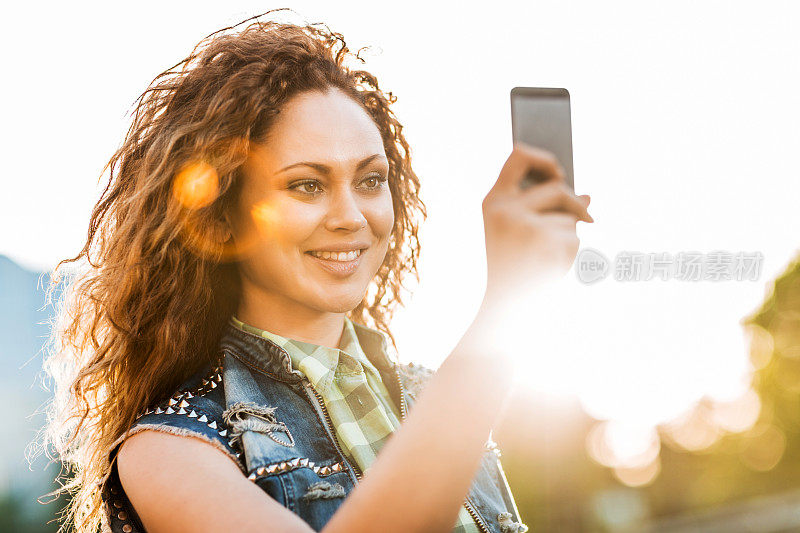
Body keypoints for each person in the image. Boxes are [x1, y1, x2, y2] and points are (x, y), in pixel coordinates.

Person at [40, 11, 593, 533]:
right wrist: (505, 306)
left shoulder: (431, 396)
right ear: (223, 218)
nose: (351, 217)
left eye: (371, 180)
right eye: (307, 185)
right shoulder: (169, 446)